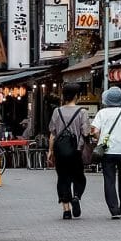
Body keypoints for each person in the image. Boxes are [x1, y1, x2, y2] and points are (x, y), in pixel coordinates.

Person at [91, 86, 121, 220]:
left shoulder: (102, 113)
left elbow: (94, 131)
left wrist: (100, 139)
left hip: (107, 151)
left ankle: (114, 210)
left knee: (109, 179)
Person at [47, 83, 92, 219]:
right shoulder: (82, 112)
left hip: (60, 152)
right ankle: (76, 197)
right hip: (76, 151)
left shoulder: (57, 111)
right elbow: (86, 132)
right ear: (77, 96)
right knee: (79, 177)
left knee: (63, 179)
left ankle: (66, 210)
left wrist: (50, 151)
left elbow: (53, 134)